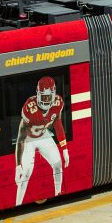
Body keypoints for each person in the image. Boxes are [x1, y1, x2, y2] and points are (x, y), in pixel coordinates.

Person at [14, 76, 69, 206]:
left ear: (54, 95)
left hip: (44, 135)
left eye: (49, 97)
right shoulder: (30, 107)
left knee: (57, 164)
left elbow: (58, 123)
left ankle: (57, 193)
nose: (46, 100)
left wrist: (65, 149)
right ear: (38, 94)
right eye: (44, 97)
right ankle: (18, 204)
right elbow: (20, 138)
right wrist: (17, 166)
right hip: (29, 139)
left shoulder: (58, 102)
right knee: (26, 173)